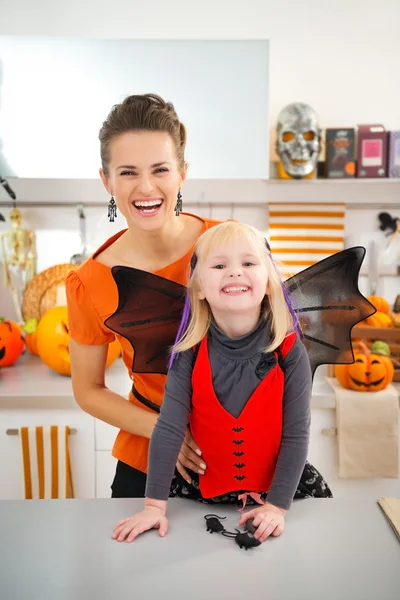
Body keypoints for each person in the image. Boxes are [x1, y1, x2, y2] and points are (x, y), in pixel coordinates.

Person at [112, 221, 333, 544]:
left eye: (248, 263)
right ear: (199, 287)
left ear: (269, 282)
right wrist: (153, 506)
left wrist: (276, 507)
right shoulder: (188, 354)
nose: (235, 272)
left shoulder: (290, 351)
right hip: (202, 492)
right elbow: (169, 427)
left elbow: (296, 433)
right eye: (219, 265)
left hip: (281, 493)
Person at [66, 93, 221, 497]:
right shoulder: (90, 282)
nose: (146, 187)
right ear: (107, 180)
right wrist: (164, 430)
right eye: (128, 172)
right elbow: (87, 390)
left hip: (237, 443)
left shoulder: (227, 246)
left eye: (160, 170)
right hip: (149, 451)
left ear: (181, 174)